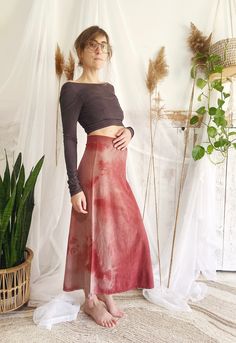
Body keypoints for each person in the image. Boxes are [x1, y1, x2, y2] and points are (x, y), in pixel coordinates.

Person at [60, 25, 154, 328]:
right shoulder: (72, 88)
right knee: (93, 233)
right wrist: (74, 186)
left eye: (103, 45)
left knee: (118, 230)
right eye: (92, 45)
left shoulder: (109, 88)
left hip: (117, 171)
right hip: (95, 168)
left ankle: (107, 290)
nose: (99, 50)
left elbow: (119, 124)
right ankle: (90, 300)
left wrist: (130, 131)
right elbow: (70, 138)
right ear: (80, 51)